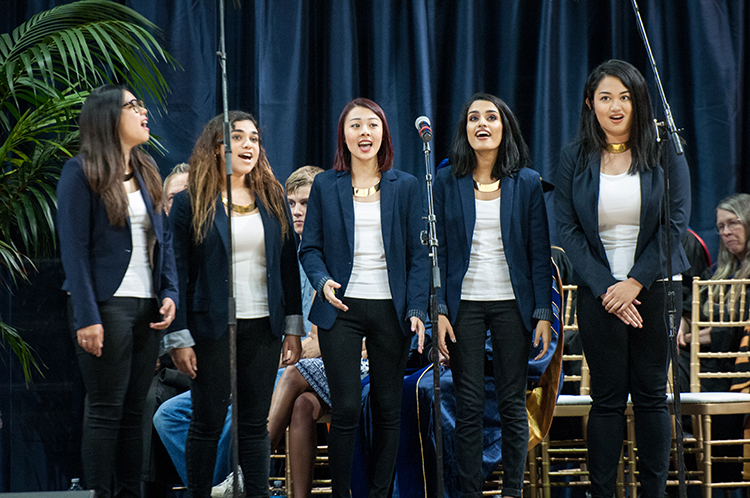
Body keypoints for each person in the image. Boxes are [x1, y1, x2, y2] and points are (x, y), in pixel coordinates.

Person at [555, 59, 691, 498]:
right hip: (600, 292)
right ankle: (602, 492)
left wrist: (634, 281)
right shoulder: (574, 156)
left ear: (639, 101)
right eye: (605, 97)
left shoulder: (665, 150)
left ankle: (653, 492)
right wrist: (606, 286)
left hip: (655, 287)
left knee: (652, 394)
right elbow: (567, 229)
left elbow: (676, 224)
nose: (615, 106)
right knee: (608, 399)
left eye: (625, 97)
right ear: (590, 104)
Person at [165, 111, 303, 498]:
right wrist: (179, 336)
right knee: (206, 422)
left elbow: (287, 264)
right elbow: (175, 270)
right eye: (237, 138)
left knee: (254, 424)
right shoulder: (191, 203)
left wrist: (293, 326)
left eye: (254, 138)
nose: (248, 145)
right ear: (214, 149)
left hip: (264, 325)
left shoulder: (273, 196)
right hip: (210, 327)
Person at [298, 97, 429, 497]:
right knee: (348, 409)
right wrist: (322, 282)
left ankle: (378, 493)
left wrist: (418, 308)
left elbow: (419, 255)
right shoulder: (325, 185)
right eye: (355, 125)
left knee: (388, 410)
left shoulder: (405, 185)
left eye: (372, 125)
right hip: (342, 307)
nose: (364, 132)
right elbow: (310, 248)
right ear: (344, 135)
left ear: (383, 132)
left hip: (391, 309)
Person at [56, 84, 179, 498]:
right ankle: (101, 494)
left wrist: (170, 292)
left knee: (134, 410)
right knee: (106, 409)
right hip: (105, 306)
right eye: (133, 106)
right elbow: (73, 251)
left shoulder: (147, 170)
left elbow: (165, 242)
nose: (143, 112)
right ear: (108, 117)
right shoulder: (82, 171)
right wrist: (87, 316)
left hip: (147, 307)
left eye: (141, 105)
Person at [433, 92, 553, 498]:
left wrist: (542, 314)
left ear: (505, 128)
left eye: (491, 117)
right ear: (464, 129)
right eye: (473, 118)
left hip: (512, 306)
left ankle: (512, 492)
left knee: (510, 406)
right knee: (467, 409)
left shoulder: (528, 182)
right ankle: (469, 492)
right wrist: (441, 310)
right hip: (463, 305)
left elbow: (539, 253)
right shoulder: (447, 180)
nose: (481, 124)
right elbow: (442, 252)